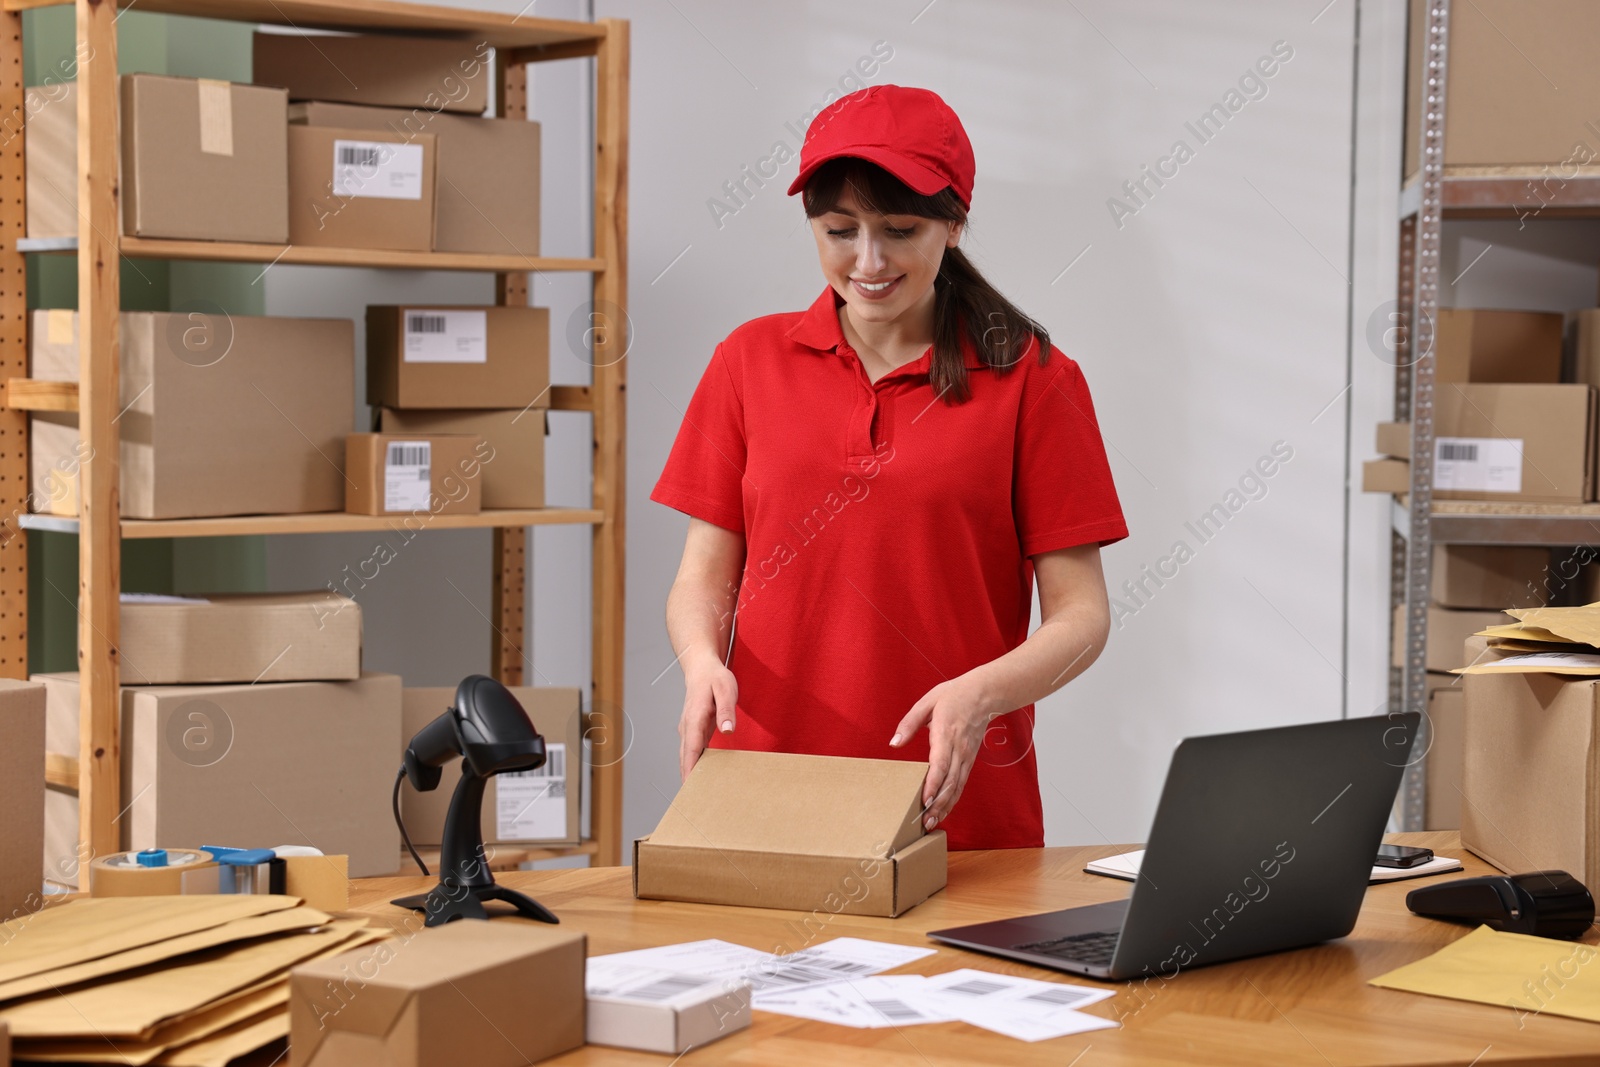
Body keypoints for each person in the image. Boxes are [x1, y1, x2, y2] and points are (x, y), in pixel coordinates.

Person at [650, 84, 1127, 850]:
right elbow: (705, 576)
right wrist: (700, 660)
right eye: (840, 230)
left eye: (899, 230)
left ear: (954, 224)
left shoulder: (1035, 379)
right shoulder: (747, 362)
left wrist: (981, 694)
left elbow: (1083, 617)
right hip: (763, 797)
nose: (867, 261)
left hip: (951, 808)